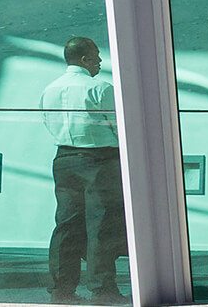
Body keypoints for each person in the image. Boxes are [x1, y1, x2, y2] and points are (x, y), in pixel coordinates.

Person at [41, 37, 123, 304]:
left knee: (66, 224)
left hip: (63, 159)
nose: (100, 61)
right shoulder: (100, 88)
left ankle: (61, 288)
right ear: (85, 59)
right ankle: (102, 288)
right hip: (99, 160)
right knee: (101, 224)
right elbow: (117, 127)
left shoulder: (49, 89)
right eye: (97, 56)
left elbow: (47, 122)